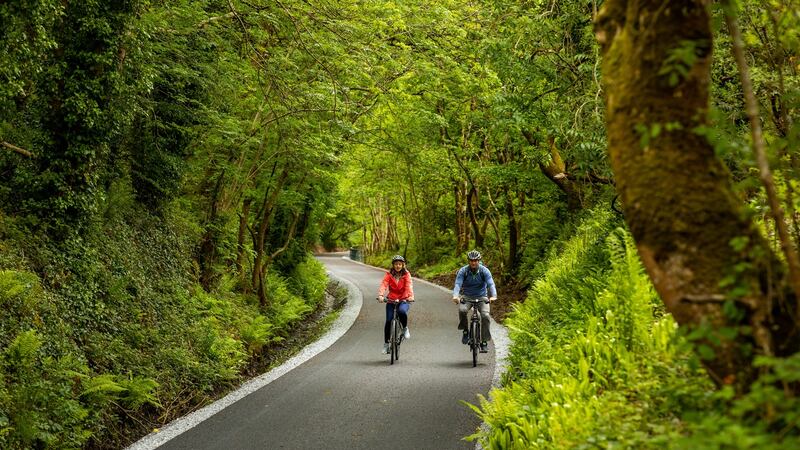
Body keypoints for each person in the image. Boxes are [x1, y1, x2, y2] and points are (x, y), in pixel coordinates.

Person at [451, 250, 497, 353]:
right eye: (471, 260)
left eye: (475, 260)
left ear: (479, 261)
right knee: (462, 311)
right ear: (468, 261)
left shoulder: (484, 271)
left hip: (482, 297)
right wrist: (455, 296)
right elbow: (458, 284)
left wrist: (493, 296)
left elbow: (491, 284)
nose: (473, 262)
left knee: (485, 316)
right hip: (467, 297)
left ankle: (484, 341)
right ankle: (466, 331)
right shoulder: (463, 271)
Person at [377, 255, 415, 354]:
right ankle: (386, 345)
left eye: (400, 264)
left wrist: (410, 296)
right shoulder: (389, 274)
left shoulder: (406, 274)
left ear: (403, 265)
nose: (398, 266)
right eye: (396, 264)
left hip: (404, 299)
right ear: (393, 265)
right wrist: (381, 295)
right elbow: (384, 284)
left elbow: (408, 286)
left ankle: (405, 328)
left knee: (402, 311)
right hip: (391, 300)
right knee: (389, 321)